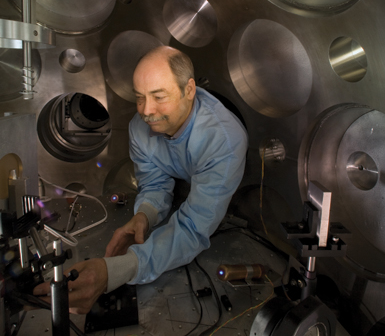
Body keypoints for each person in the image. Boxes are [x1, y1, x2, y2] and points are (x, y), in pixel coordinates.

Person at [33, 46, 248, 314]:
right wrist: (144, 215)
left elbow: (194, 227)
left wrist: (116, 271)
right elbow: (155, 183)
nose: (146, 111)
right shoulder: (140, 127)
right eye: (139, 98)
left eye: (159, 96)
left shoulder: (223, 141)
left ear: (189, 90)